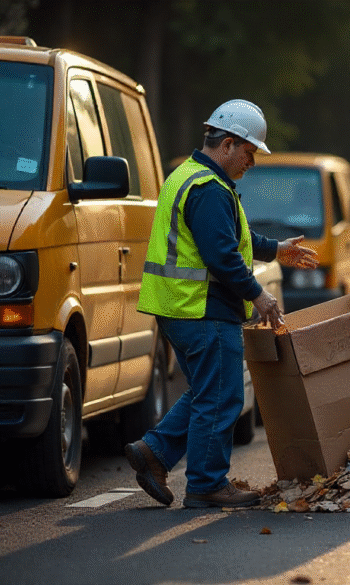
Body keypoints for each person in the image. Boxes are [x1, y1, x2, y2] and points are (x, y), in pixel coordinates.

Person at [126, 99, 318, 508]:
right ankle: (207, 484)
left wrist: (275, 249)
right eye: (249, 153)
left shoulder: (190, 176)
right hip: (203, 308)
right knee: (224, 395)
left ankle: (154, 452)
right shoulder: (210, 189)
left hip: (180, 306)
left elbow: (231, 239)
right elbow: (222, 255)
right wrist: (258, 295)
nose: (252, 162)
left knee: (208, 391)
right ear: (228, 143)